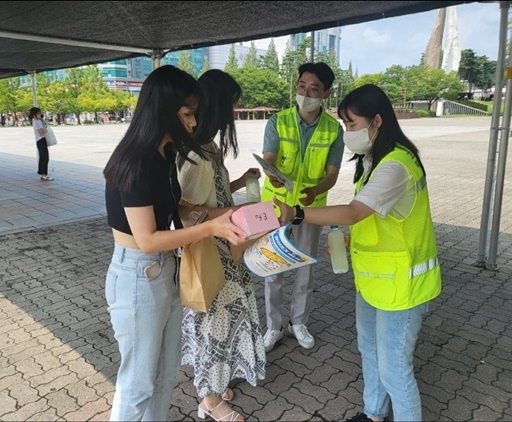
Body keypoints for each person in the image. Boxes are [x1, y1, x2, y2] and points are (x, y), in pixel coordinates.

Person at [272, 84, 442, 422]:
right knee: (370, 351)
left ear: (377, 121)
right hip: (374, 281)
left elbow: (352, 212)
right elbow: (374, 217)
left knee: (395, 368)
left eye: (351, 124)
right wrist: (352, 239)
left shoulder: (396, 165)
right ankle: (374, 414)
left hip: (404, 288)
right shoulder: (374, 160)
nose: (347, 132)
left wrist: (296, 213)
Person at [102, 65, 247, 422]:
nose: (195, 122)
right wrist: (209, 229)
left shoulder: (163, 154)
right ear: (163, 110)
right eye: (187, 113)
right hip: (137, 274)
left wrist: (224, 214)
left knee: (165, 376)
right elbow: (148, 239)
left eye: (195, 112)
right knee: (137, 384)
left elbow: (176, 206)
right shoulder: (135, 162)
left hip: (164, 271)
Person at [177, 69, 266, 422]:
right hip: (213, 255)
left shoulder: (206, 149)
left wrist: (240, 182)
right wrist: (236, 211)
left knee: (224, 324)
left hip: (226, 250)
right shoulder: (196, 156)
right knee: (215, 327)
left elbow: (211, 193)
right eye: (231, 107)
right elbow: (188, 210)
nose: (233, 114)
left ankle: (214, 384)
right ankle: (210, 400)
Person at [260, 62, 344, 352]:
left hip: (311, 209)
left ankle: (299, 323)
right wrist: (271, 172)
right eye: (301, 86)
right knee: (274, 266)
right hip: (276, 205)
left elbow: (331, 175)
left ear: (326, 93)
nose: (306, 92)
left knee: (305, 266)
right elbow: (269, 157)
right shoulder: (278, 120)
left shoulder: (334, 129)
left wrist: (316, 190)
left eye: (314, 88)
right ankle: (273, 326)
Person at [29, 107, 53, 181]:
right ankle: (44, 175)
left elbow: (45, 125)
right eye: (38, 113)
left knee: (42, 157)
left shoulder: (38, 121)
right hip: (41, 140)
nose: (40, 115)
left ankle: (42, 173)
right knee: (45, 158)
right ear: (34, 115)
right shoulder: (36, 122)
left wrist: (42, 120)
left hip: (40, 140)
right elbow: (43, 131)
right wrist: (45, 129)